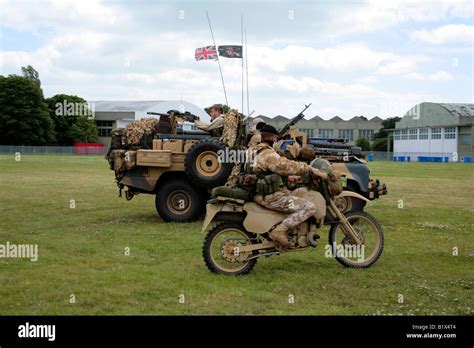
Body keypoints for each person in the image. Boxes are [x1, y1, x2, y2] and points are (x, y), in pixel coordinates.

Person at [251, 124, 327, 247]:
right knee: (309, 207)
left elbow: (264, 171)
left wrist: (287, 178)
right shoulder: (268, 153)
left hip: (258, 193)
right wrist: (308, 168)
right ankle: (279, 231)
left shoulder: (252, 151)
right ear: (273, 138)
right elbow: (286, 165)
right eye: (276, 138)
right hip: (272, 197)